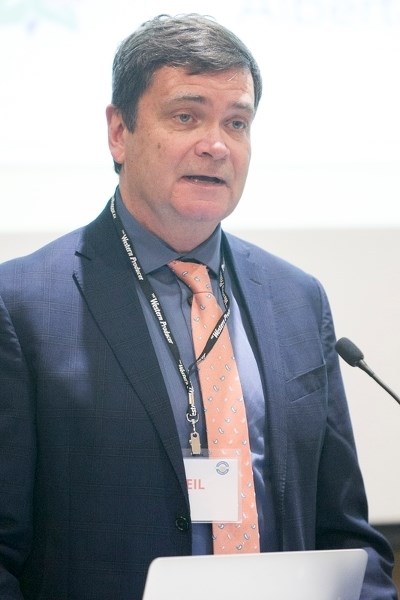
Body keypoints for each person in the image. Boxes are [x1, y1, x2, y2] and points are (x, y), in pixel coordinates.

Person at [0, 13, 397, 600]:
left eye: (236, 123)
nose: (215, 145)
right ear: (119, 132)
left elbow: (344, 533)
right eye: (186, 116)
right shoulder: (24, 306)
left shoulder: (296, 299)